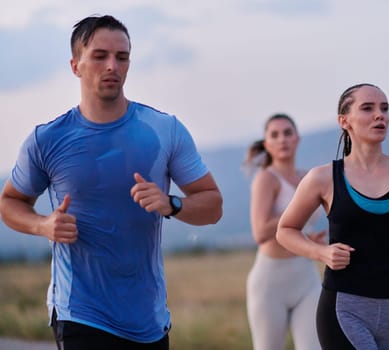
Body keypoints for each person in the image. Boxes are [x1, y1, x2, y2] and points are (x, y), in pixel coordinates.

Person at [0, 15, 222, 350]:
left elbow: (213, 205)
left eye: (122, 57)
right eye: (100, 56)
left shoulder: (164, 130)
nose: (112, 66)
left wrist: (172, 203)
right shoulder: (47, 139)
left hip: (147, 317)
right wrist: (43, 225)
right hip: (79, 311)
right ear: (76, 65)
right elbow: (10, 202)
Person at [276, 84, 389, 349]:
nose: (379, 115)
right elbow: (285, 230)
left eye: (384, 109)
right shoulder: (323, 178)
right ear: (344, 120)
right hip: (345, 307)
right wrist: (321, 253)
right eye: (368, 108)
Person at [243, 113, 326, 350]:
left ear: (297, 139)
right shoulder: (266, 179)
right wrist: (296, 212)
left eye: (288, 133)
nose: (282, 140)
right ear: (267, 144)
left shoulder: (308, 178)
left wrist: (309, 239)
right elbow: (260, 232)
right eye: (275, 135)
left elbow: (298, 229)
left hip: (307, 278)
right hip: (270, 284)